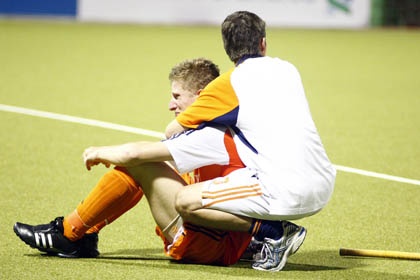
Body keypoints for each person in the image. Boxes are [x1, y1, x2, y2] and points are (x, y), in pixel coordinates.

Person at [13, 58, 252, 265]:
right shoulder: (221, 128)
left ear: (200, 98)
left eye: (177, 96)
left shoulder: (210, 135)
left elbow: (136, 154)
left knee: (140, 164)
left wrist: (99, 152)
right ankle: (81, 234)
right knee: (149, 167)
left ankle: (68, 234)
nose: (171, 104)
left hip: (212, 246)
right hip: (218, 238)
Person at [163, 11, 336, 271]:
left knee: (185, 201)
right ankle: (260, 236)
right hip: (324, 185)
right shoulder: (289, 70)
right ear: (263, 43)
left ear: (227, 49)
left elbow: (172, 131)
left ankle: (274, 232)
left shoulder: (227, 84)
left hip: (283, 192)